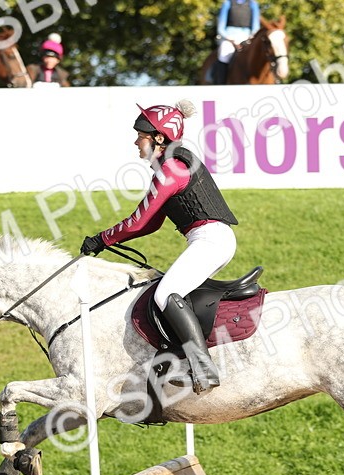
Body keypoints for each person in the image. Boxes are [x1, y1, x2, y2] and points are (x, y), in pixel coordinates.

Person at [79, 100, 239, 393]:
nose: (136, 141)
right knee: (169, 290)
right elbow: (152, 224)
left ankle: (203, 367)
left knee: (166, 293)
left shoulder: (171, 170)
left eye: (141, 135)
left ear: (159, 138)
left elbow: (139, 222)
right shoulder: (173, 165)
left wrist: (103, 238)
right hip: (212, 239)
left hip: (211, 240)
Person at [213, 0, 259, 84]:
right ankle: (220, 83)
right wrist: (231, 40)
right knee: (224, 53)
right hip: (229, 37)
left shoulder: (253, 4)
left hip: (248, 37)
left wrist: (250, 38)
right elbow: (221, 28)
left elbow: (256, 27)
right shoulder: (227, 3)